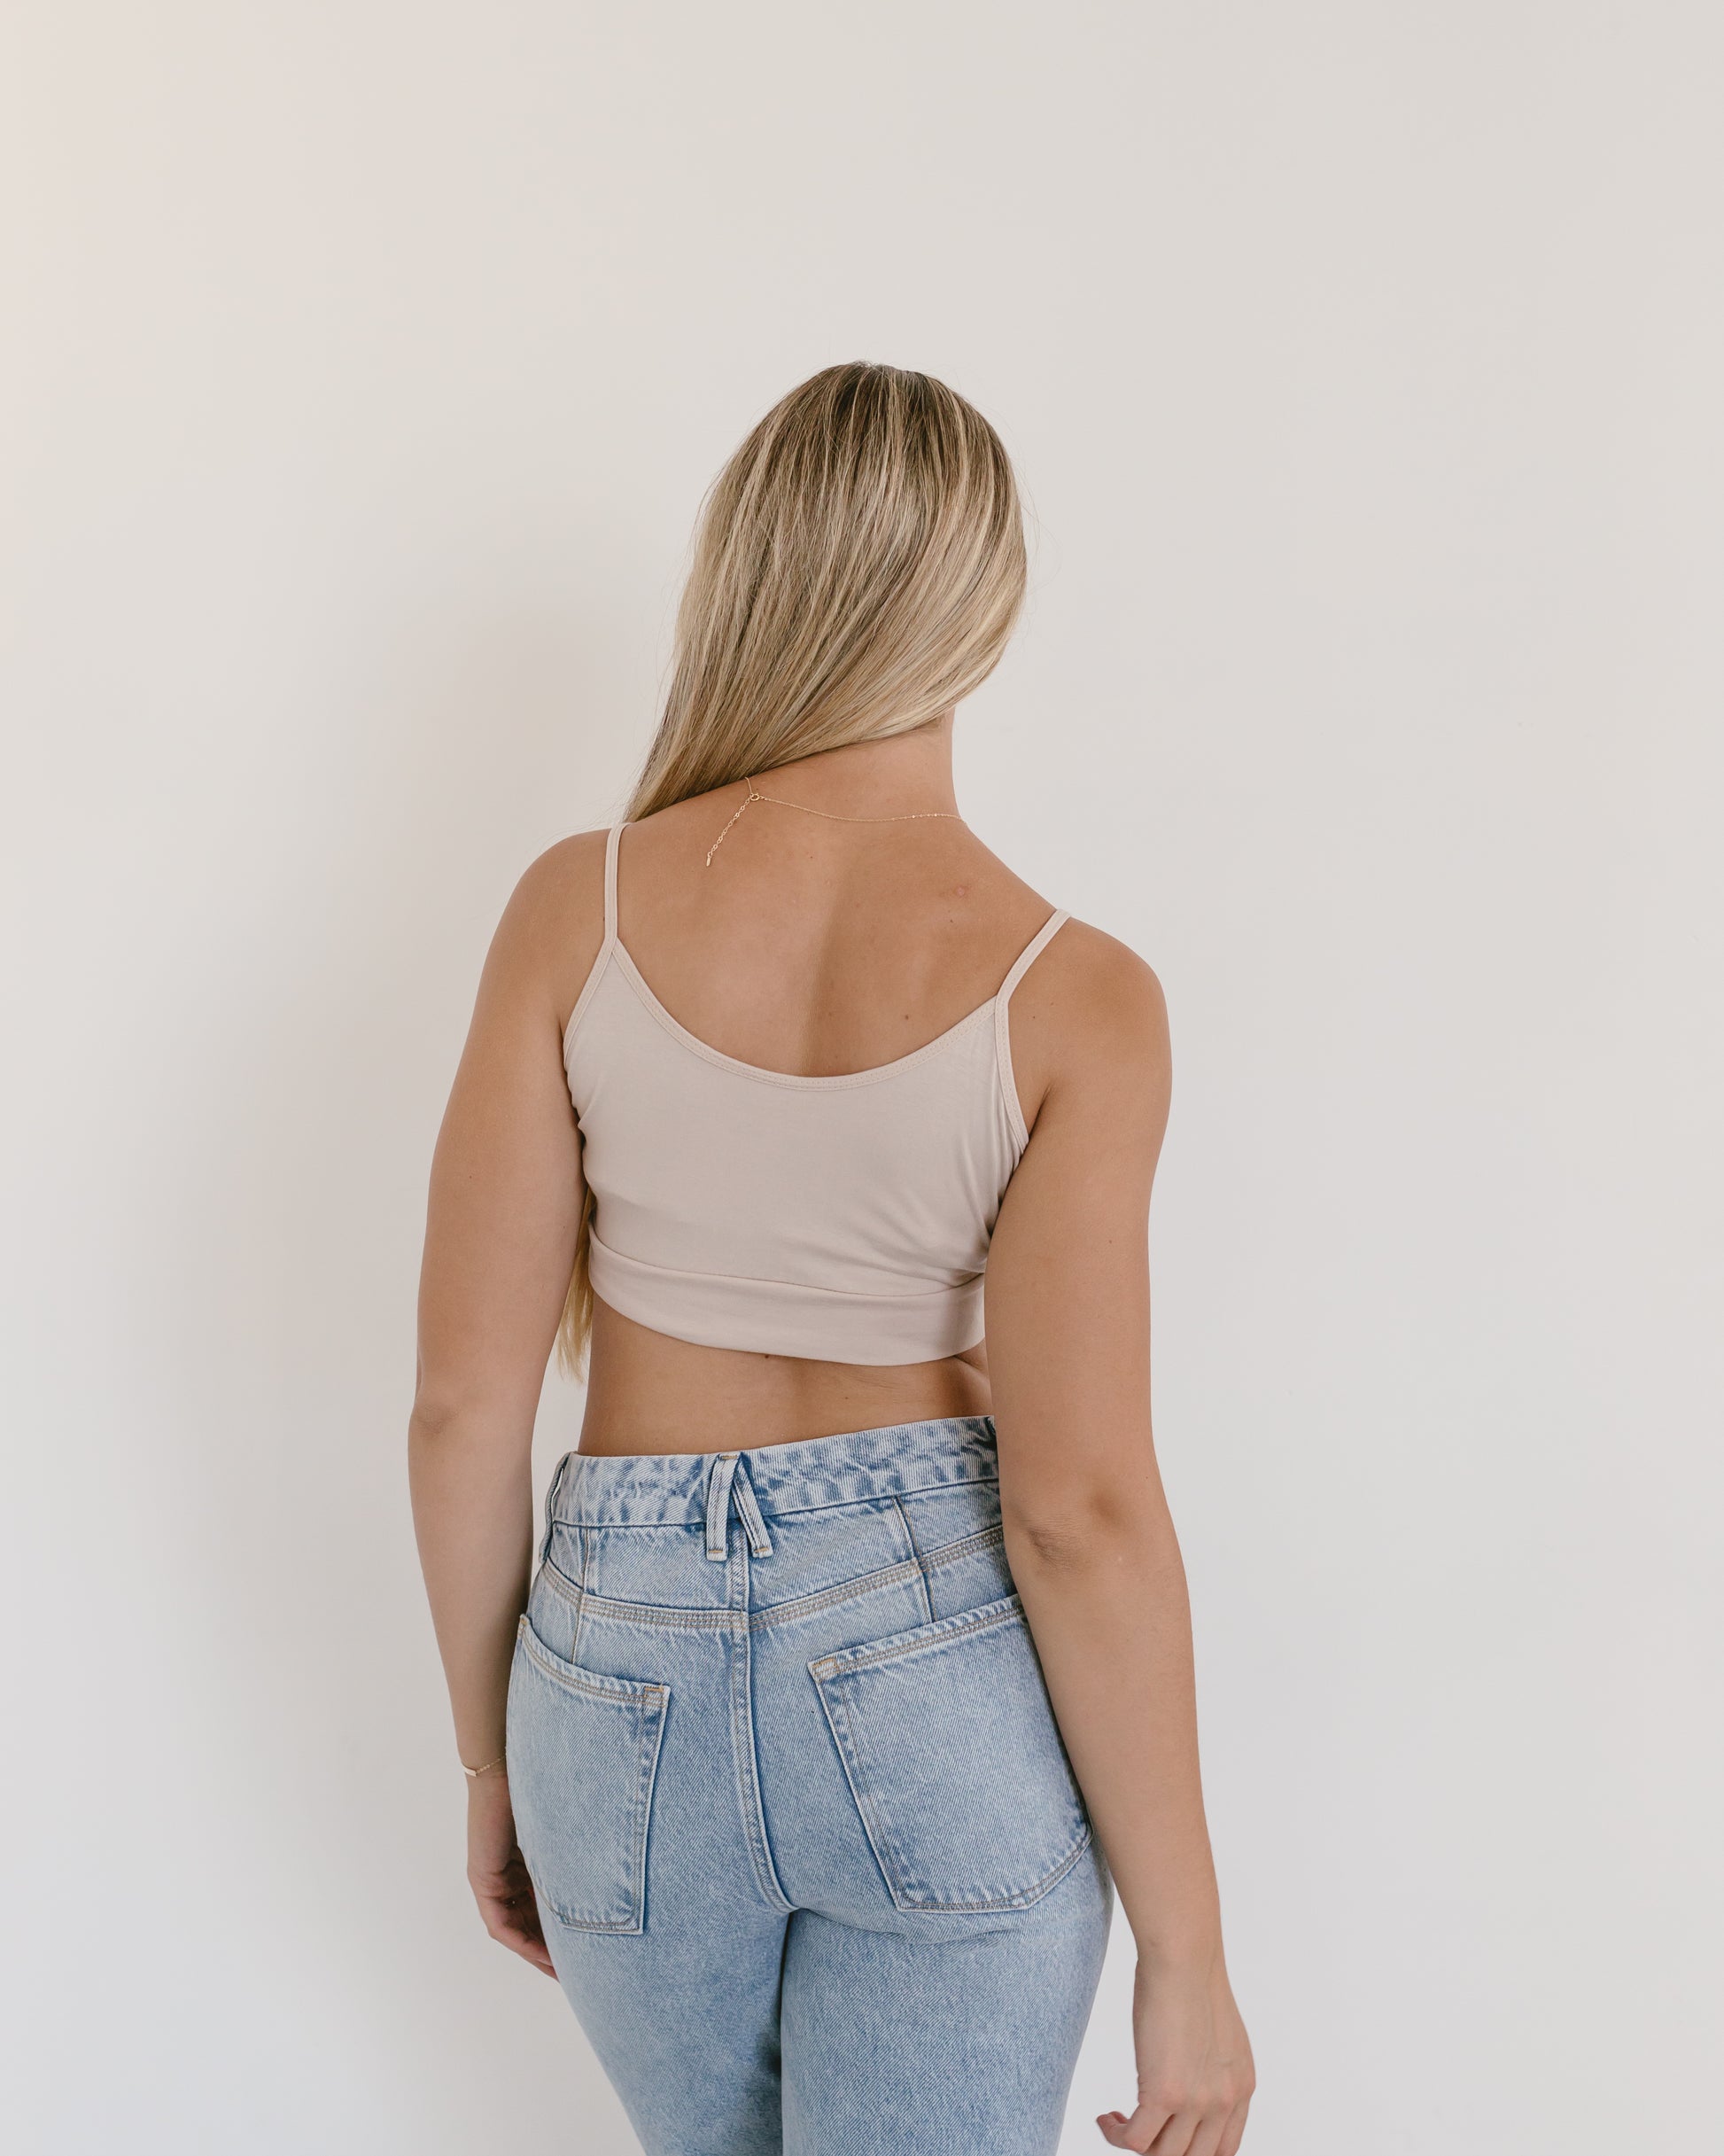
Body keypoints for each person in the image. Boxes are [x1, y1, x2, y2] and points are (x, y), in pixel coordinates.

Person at [408, 362, 1254, 2156]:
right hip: (933, 1662)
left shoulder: (580, 908)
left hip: (610, 1678)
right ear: (987, 604)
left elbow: (463, 1403)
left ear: (752, 576)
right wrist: (1189, 1952)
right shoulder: (1076, 997)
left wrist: (490, 1759)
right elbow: (1077, 1506)